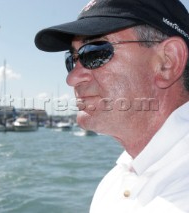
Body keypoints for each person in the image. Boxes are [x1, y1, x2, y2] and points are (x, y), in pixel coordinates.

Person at [35, 0, 189, 212]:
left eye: (95, 52)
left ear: (167, 62)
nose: (72, 78)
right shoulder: (114, 181)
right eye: (72, 59)